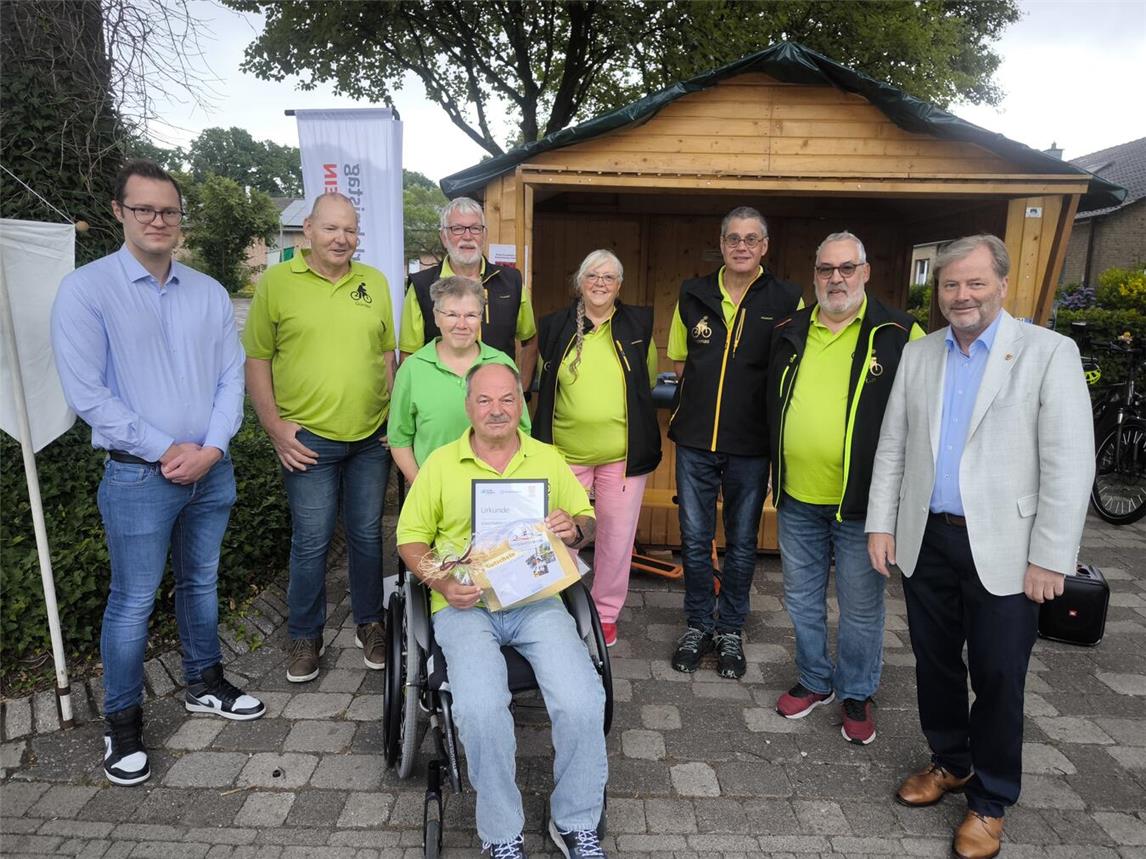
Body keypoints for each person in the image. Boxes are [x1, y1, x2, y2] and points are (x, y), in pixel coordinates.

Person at [866, 235, 1094, 859]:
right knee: (935, 663)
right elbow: (893, 446)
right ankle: (952, 762)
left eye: (974, 283)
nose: (960, 296)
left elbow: (1070, 463)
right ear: (936, 291)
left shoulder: (1048, 353)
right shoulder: (919, 355)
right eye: (949, 285)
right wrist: (880, 524)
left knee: (998, 674)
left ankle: (990, 801)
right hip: (925, 539)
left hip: (1008, 549)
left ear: (1002, 283)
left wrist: (1051, 554)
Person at [51, 159, 265, 786]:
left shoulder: (206, 292)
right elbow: (86, 393)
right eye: (143, 209)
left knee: (201, 584)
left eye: (168, 210)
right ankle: (121, 725)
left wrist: (215, 447)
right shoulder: (87, 290)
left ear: (179, 218)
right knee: (132, 601)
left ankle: (203, 682)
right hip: (138, 477)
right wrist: (167, 448)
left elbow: (231, 377)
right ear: (119, 212)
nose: (157, 220)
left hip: (210, 469)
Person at [397, 363, 607, 859]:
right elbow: (409, 541)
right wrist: (444, 582)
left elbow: (587, 521)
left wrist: (573, 529)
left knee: (581, 699)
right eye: (485, 400)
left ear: (521, 405)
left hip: (536, 602)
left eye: (507, 400)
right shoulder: (442, 465)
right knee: (479, 708)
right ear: (468, 407)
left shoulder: (548, 459)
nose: (497, 410)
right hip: (464, 605)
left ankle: (575, 820)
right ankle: (501, 832)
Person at [767, 231, 924, 745]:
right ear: (814, 276)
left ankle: (857, 690)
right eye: (826, 270)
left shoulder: (900, 332)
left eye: (846, 269)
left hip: (863, 505)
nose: (836, 279)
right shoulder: (790, 329)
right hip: (798, 497)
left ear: (866, 272)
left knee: (860, 606)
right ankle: (815, 680)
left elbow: (925, 422)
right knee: (802, 597)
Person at [243, 192, 396, 684]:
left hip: (371, 437)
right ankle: (305, 634)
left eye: (350, 230)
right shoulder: (277, 282)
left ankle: (369, 623)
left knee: (369, 535)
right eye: (331, 228)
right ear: (307, 229)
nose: (342, 238)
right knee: (311, 541)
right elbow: (257, 359)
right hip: (307, 439)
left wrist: (394, 417)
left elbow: (387, 356)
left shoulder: (374, 282)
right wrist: (273, 426)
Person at [666, 206, 803, 678]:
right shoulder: (693, 293)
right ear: (721, 244)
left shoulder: (789, 298)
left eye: (751, 239)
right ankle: (699, 623)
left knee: (743, 542)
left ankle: (730, 628)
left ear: (764, 246)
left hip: (752, 442)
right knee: (695, 537)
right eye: (732, 238)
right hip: (696, 439)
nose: (741, 246)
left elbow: (795, 370)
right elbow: (682, 364)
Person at [532, 249, 661, 648]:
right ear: (579, 282)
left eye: (609, 277)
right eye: (592, 276)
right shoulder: (555, 326)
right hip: (563, 454)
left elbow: (649, 380)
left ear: (619, 285)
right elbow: (543, 381)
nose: (600, 283)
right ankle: (556, 605)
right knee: (558, 532)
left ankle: (605, 613)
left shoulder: (637, 323)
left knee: (616, 538)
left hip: (622, 457)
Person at [389, 275, 529, 485]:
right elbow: (399, 439)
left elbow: (523, 430)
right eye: (452, 314)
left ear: (481, 317)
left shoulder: (501, 363)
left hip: (494, 489)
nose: (462, 324)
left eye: (471, 315)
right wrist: (421, 486)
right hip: (434, 488)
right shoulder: (412, 369)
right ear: (436, 317)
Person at [400, 197, 538, 386]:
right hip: (440, 398)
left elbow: (529, 341)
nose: (467, 236)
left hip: (495, 402)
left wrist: (521, 390)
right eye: (457, 228)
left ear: (484, 234)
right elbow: (409, 354)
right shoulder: (421, 286)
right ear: (443, 236)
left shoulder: (511, 281)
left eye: (475, 228)